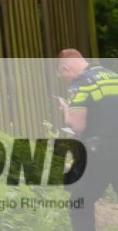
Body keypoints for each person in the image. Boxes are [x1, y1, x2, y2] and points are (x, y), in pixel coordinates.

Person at [59, 48, 118, 229]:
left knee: (79, 202)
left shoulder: (80, 83)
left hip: (101, 152)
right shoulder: (113, 76)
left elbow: (77, 125)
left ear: (65, 69)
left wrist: (67, 111)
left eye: (63, 76)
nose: (66, 80)